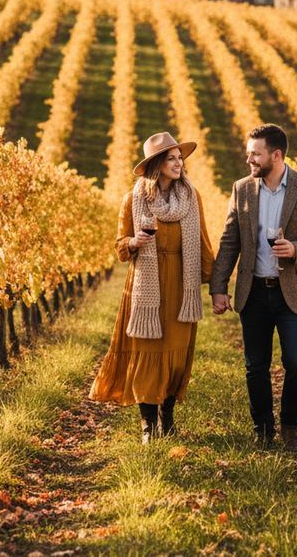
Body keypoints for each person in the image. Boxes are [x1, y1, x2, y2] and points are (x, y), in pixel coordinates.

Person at [209, 123, 297, 452]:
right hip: (254, 291)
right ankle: (263, 429)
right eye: (249, 152)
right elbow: (229, 241)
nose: (248, 158)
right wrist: (218, 286)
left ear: (276, 155)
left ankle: (291, 428)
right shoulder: (242, 189)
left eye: (255, 153)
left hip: (292, 290)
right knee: (255, 366)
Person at [90, 132, 214, 443]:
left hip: (180, 283)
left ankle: (167, 418)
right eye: (172, 158)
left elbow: (202, 242)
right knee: (146, 352)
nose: (179, 163)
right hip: (147, 284)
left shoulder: (191, 196)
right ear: (157, 164)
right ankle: (147, 425)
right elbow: (121, 247)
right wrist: (134, 241)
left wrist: (218, 283)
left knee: (174, 357)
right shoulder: (134, 199)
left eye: (179, 158)